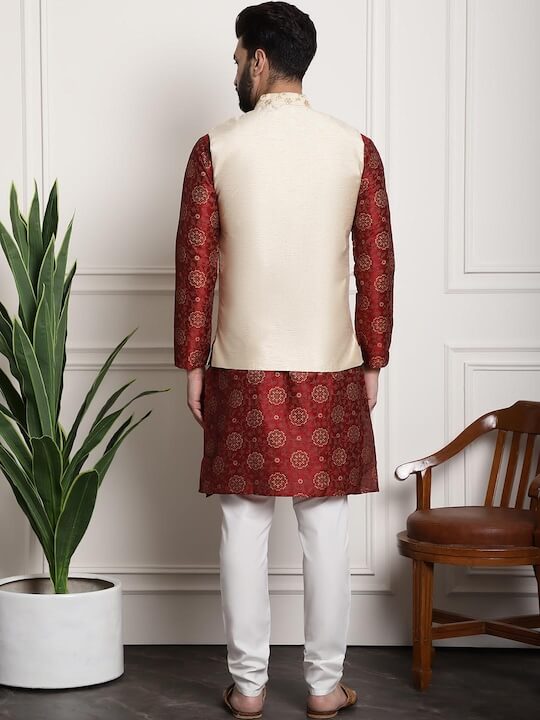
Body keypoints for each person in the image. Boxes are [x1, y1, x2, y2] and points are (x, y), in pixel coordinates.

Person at [174, 2, 395, 717]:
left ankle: (248, 688)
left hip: (241, 364)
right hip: (331, 364)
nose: (235, 70)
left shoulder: (215, 148)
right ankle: (325, 687)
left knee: (243, 525)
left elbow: (196, 268)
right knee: (325, 528)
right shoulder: (356, 149)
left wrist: (192, 362)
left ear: (261, 60)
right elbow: (377, 265)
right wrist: (374, 359)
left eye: (238, 57)